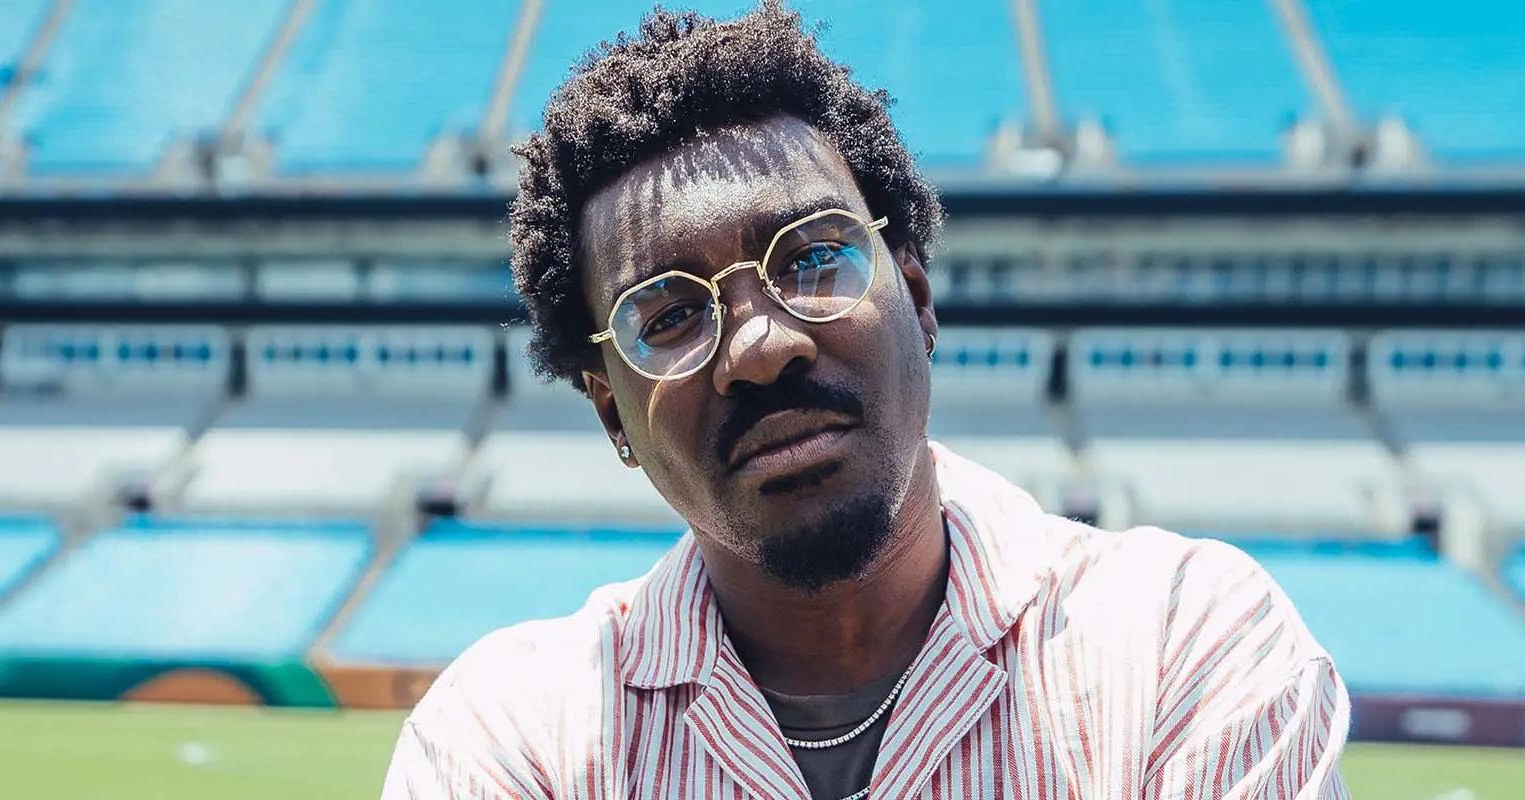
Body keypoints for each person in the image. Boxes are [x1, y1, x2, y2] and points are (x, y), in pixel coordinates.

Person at [381, 3, 1349, 797]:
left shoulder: (1184, 644)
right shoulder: (509, 739)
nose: (759, 348)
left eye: (812, 258)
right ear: (611, 414)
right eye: (669, 314)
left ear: (917, 297)